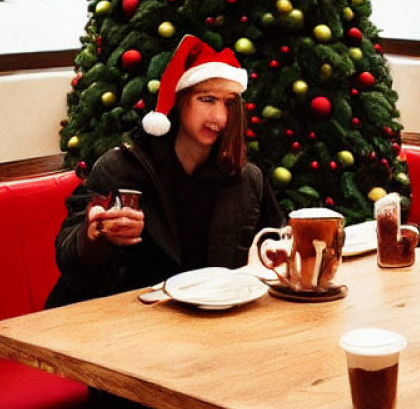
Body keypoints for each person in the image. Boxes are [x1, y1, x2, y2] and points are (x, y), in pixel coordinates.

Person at [46, 36, 283, 308]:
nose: (219, 117)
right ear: (180, 102)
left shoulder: (245, 179)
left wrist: (280, 254)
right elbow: (68, 258)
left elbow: (276, 243)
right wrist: (96, 235)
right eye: (207, 99)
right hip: (118, 326)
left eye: (228, 103)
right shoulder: (120, 168)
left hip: (206, 325)